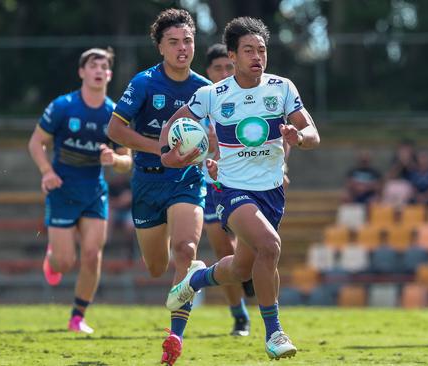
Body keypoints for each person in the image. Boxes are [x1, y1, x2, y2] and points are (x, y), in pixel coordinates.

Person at [161, 17, 320, 360]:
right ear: (233, 56)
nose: (256, 56)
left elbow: (312, 133)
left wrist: (299, 137)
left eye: (261, 49)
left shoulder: (283, 88)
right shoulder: (212, 95)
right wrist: (169, 155)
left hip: (273, 192)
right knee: (270, 246)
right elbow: (174, 125)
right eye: (248, 50)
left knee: (241, 269)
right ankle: (274, 333)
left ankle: (194, 281)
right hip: (231, 190)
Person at [105, 9, 211, 366]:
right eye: (174, 42)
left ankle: (175, 336)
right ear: (161, 47)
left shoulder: (205, 89)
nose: (183, 48)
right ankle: (174, 267)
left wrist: (211, 155)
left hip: (187, 180)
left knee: (186, 249)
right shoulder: (145, 82)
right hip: (148, 181)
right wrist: (162, 149)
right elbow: (115, 129)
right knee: (156, 266)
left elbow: (216, 135)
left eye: (188, 41)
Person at [28, 47, 131, 334]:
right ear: (82, 72)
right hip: (62, 191)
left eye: (104, 67)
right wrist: (46, 172)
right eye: (93, 66)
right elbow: (36, 143)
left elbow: (127, 161)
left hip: (94, 193)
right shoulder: (63, 106)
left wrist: (115, 160)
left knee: (91, 254)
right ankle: (53, 256)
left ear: (109, 75)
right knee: (64, 262)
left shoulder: (115, 114)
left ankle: (77, 317)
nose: (99, 70)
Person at [201, 43, 251, 336]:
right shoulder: (202, 100)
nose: (223, 73)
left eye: (228, 67)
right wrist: (203, 143)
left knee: (256, 250)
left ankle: (270, 315)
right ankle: (240, 316)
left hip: (248, 183)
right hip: (212, 186)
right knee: (223, 250)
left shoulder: (250, 97)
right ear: (208, 72)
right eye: (217, 68)